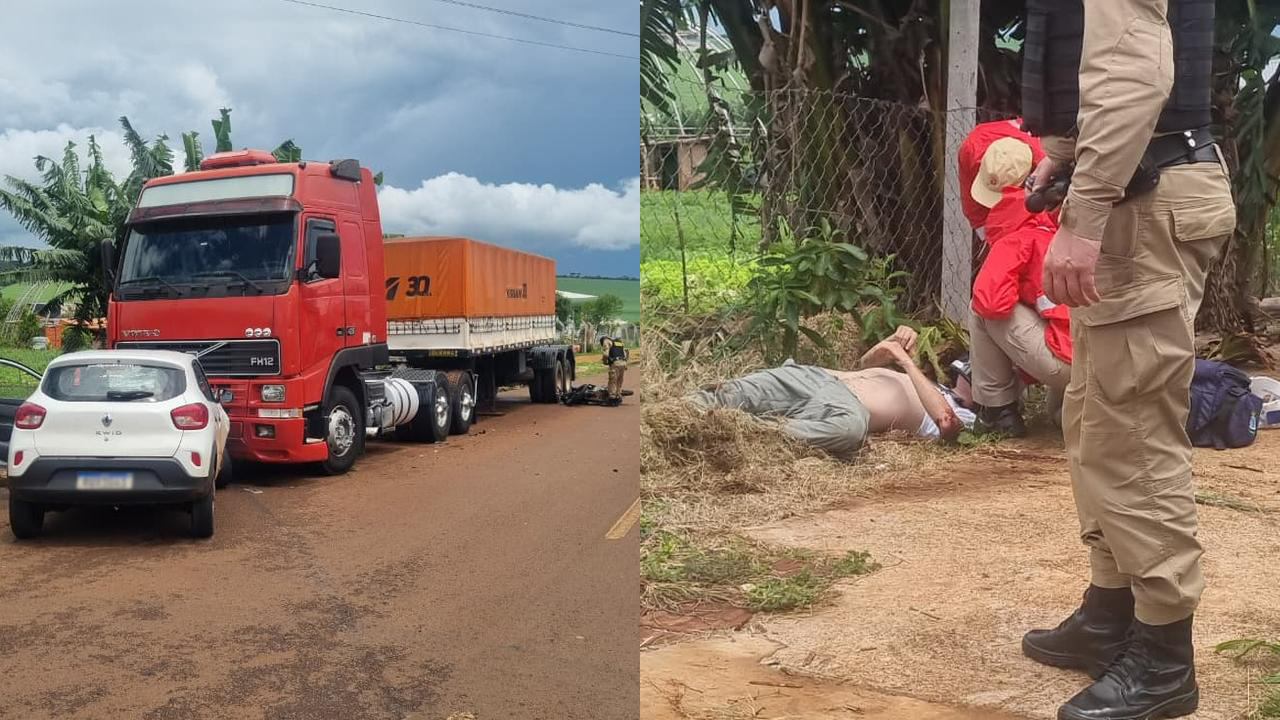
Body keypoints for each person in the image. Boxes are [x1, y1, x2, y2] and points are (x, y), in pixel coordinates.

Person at [1019, 1, 1232, 718]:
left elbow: (1135, 71)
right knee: (1097, 418)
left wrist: (1085, 214)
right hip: (1137, 194)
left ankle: (1165, 657)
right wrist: (1065, 156)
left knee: (1133, 430)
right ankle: (1110, 613)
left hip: (1142, 205)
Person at [689, 326, 976, 459]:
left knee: (850, 431)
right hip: (816, 377)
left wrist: (905, 361)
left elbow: (946, 422)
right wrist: (887, 347)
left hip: (845, 409)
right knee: (723, 396)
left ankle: (746, 429)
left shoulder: (965, 414)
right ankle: (664, 416)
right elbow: (863, 366)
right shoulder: (929, 383)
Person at [964, 130, 1073, 436]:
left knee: (979, 306)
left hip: (1064, 361)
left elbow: (991, 303)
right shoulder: (1066, 221)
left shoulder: (1015, 236)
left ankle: (997, 411)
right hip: (1101, 357)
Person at [601, 336, 628, 402]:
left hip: (615, 363)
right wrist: (625, 362)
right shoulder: (618, 342)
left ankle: (612, 396)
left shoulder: (606, 341)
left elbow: (606, 354)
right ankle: (618, 394)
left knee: (612, 380)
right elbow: (626, 352)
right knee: (619, 379)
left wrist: (605, 362)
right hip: (623, 363)